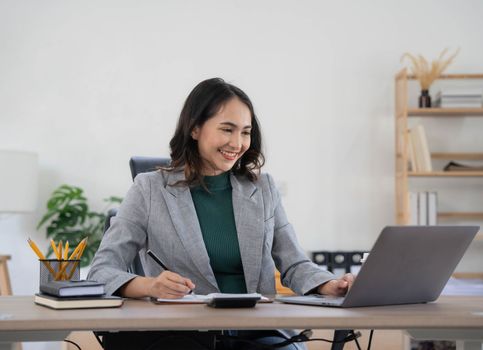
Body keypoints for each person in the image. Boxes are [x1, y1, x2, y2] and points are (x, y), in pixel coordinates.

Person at [88, 78, 354, 350]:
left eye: (245, 132)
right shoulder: (149, 189)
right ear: (194, 129)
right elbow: (101, 271)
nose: (237, 143)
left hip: (258, 332)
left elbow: (294, 264)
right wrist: (150, 286)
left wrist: (329, 284)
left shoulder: (263, 188)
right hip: (185, 334)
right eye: (227, 129)